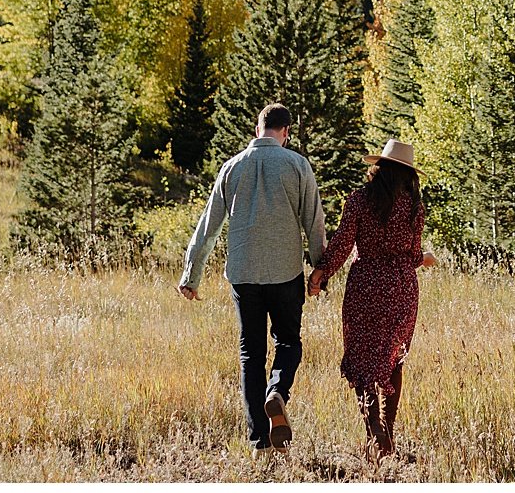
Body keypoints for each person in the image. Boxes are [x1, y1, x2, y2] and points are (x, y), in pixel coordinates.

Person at [178, 103, 326, 455]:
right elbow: (314, 224)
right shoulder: (297, 165)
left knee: (250, 354)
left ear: (257, 128)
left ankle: (259, 441)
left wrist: (191, 275)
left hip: (244, 275)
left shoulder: (231, 168)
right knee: (288, 342)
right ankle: (277, 392)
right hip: (285, 273)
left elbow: (208, 227)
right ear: (286, 132)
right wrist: (321, 269)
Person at [308, 138, 436, 461]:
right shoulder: (414, 208)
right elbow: (412, 254)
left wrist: (321, 272)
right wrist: (424, 259)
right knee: (395, 360)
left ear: (378, 169)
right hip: (402, 289)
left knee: (364, 361)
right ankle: (387, 435)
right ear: (408, 175)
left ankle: (374, 434)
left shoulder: (360, 201)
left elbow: (341, 244)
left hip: (366, 288)